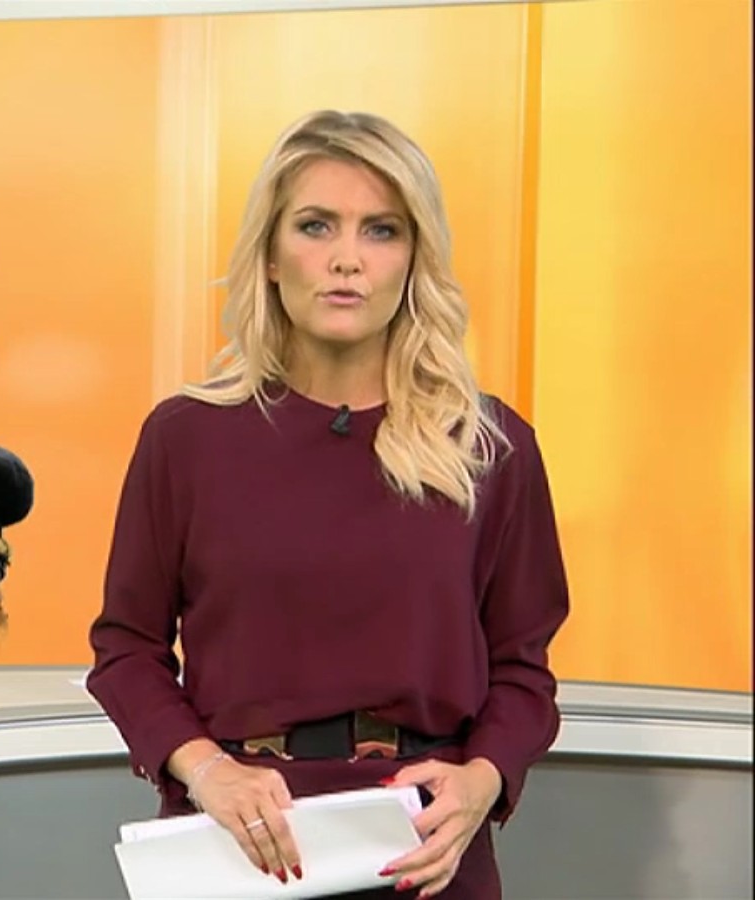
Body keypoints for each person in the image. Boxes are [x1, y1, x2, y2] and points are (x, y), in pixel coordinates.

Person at [85, 110, 570, 899]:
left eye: (382, 230)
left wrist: (482, 780)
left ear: (413, 259)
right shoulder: (186, 439)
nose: (347, 259)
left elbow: (524, 668)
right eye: (316, 226)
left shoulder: (491, 446)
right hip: (236, 844)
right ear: (272, 256)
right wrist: (207, 771)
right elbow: (127, 650)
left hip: (424, 850)